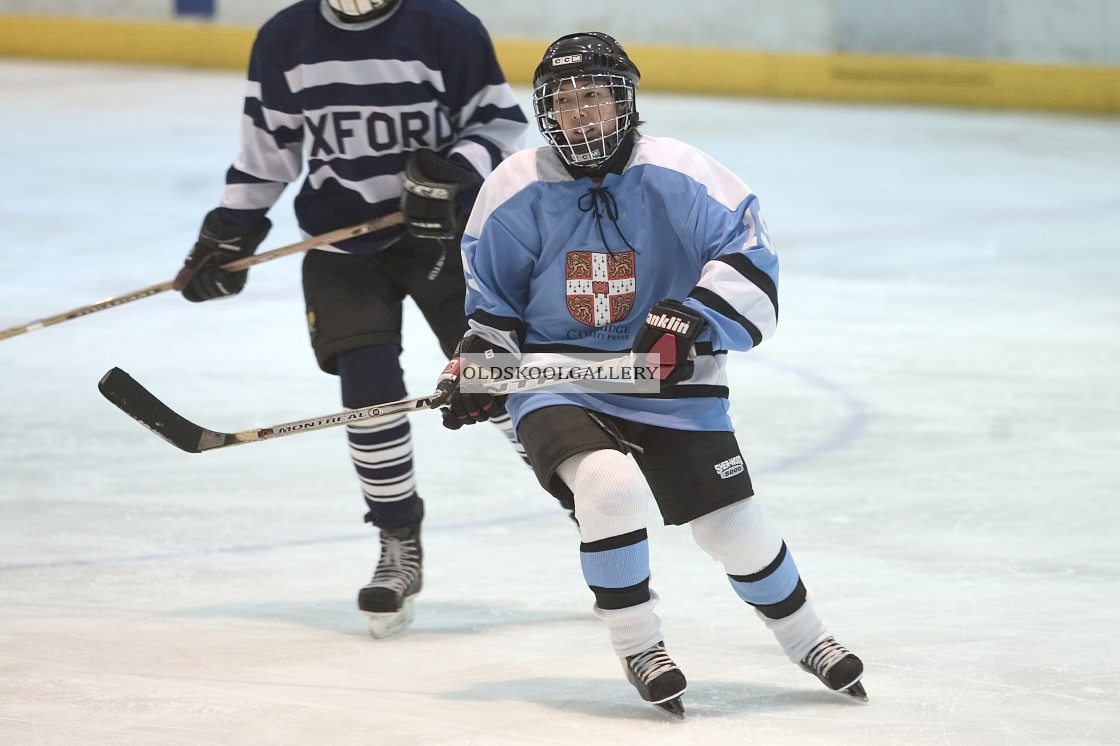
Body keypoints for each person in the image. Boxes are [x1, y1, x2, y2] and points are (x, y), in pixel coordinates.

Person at [431, 32, 867, 717]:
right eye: (564, 101)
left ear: (624, 101)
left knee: (732, 527)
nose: (579, 114)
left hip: (670, 382)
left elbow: (750, 257)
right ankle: (640, 646)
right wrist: (478, 370)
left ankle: (808, 637)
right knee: (609, 486)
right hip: (559, 379)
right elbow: (494, 307)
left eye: (593, 97)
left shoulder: (685, 172)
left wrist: (692, 314)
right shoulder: (513, 186)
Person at [171, 0, 531, 639]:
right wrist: (233, 229)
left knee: (495, 381)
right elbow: (269, 152)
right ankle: (398, 541)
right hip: (339, 243)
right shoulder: (286, 38)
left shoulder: (444, 25)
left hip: (446, 240)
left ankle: (586, 502)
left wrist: (450, 174)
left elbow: (500, 122)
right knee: (366, 385)